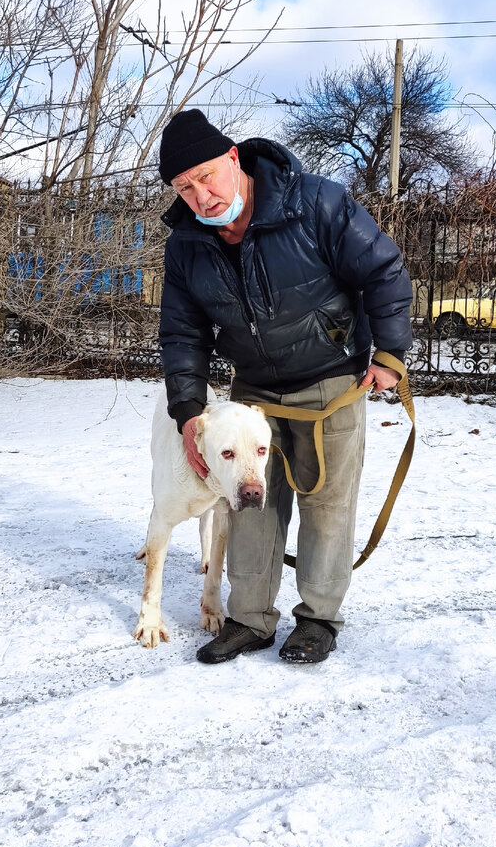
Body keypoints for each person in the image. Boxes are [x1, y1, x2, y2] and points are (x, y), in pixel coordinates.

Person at [157, 108, 412, 665]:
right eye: (184, 186)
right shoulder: (186, 244)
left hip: (331, 381)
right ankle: (249, 619)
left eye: (206, 176)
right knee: (250, 503)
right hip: (252, 394)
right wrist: (188, 409)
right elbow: (182, 331)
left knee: (327, 505)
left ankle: (318, 619)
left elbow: (384, 270)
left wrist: (389, 354)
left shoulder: (315, 202)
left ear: (232, 158)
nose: (200, 195)